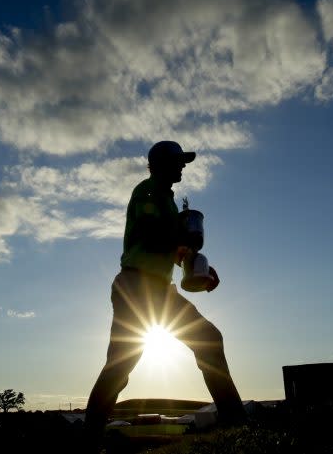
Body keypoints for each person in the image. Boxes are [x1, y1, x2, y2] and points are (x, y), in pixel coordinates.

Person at [83, 140, 246, 448]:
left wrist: (198, 266)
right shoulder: (146, 191)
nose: (183, 166)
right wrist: (183, 237)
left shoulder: (169, 201)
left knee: (209, 339)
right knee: (120, 366)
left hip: (158, 288)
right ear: (159, 165)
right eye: (177, 161)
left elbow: (169, 247)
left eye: (183, 161)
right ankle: (90, 439)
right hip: (135, 286)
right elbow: (150, 233)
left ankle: (237, 422)